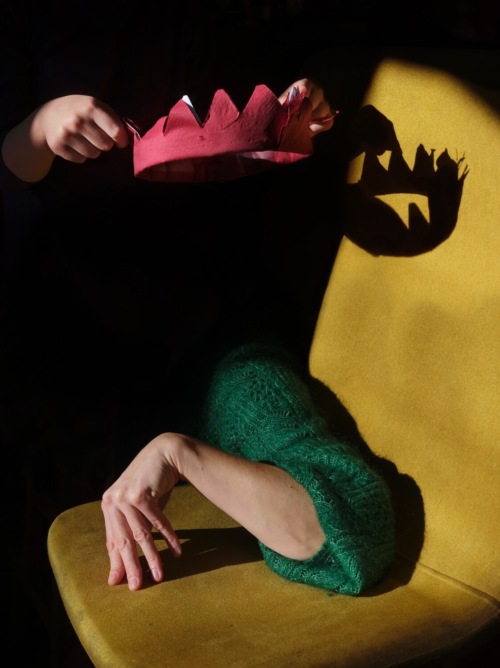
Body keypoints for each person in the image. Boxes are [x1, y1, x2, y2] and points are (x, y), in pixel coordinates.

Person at [1, 0, 396, 599]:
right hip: (63, 336)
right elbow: (9, 166)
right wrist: (39, 128)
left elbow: (357, 534)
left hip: (201, 321)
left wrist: (178, 453)